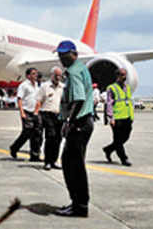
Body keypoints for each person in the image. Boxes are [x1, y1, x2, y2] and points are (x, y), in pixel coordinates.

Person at [54, 40, 94, 218]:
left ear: (75, 54)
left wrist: (69, 122)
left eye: (65, 55)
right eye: (60, 55)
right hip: (83, 122)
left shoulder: (74, 72)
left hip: (79, 123)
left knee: (73, 165)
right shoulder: (80, 68)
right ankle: (78, 203)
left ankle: (79, 206)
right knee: (73, 163)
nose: (62, 58)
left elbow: (78, 98)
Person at [33, 66, 64, 171]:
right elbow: (39, 101)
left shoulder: (63, 87)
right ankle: (47, 162)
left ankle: (54, 160)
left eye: (60, 76)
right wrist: (36, 113)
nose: (58, 78)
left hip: (59, 115)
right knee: (50, 137)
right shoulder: (45, 86)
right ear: (52, 75)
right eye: (56, 75)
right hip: (47, 114)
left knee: (58, 139)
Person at [102, 68, 134, 167]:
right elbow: (109, 103)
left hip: (127, 117)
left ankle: (108, 149)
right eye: (122, 75)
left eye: (125, 75)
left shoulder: (127, 87)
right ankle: (124, 159)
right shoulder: (112, 88)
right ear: (118, 76)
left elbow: (128, 102)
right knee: (118, 140)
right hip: (117, 118)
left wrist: (131, 116)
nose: (124, 77)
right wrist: (111, 118)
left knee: (125, 137)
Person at [9, 68, 42, 161]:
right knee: (27, 132)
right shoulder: (23, 85)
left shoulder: (37, 85)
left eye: (36, 73)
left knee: (37, 133)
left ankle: (35, 155)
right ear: (28, 76)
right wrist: (22, 112)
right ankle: (14, 147)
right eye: (33, 74)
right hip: (26, 111)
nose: (36, 75)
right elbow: (19, 99)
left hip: (35, 111)